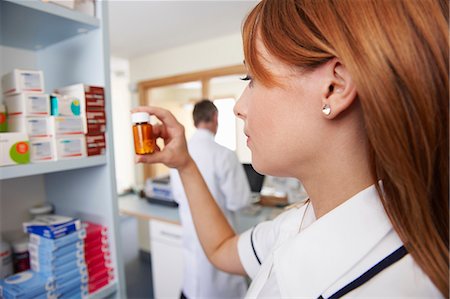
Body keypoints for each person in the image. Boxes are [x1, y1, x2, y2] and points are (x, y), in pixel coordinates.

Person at [133, 0, 448, 297]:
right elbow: (220, 248)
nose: (238, 107)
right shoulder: (295, 224)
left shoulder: (398, 287)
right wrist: (185, 164)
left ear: (334, 88)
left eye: (252, 77)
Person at [169, 99, 251, 299]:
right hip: (219, 241)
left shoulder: (178, 154)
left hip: (191, 238)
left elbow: (178, 195)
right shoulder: (223, 154)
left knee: (194, 284)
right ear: (215, 118)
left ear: (195, 120)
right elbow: (239, 201)